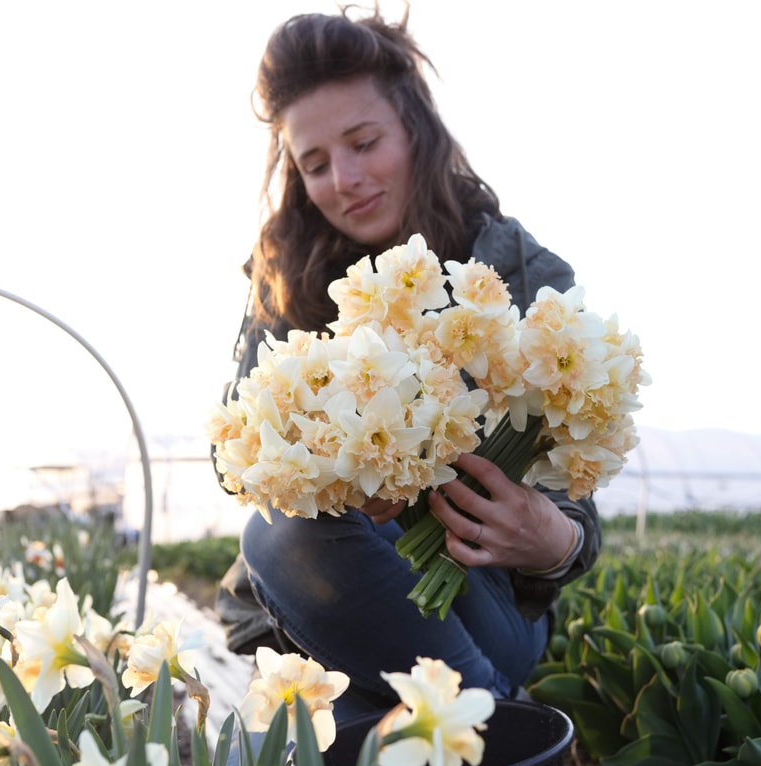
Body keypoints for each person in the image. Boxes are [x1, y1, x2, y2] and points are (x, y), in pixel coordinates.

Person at [215, 6, 601, 721]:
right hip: (320, 595)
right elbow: (234, 452)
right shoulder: (286, 273)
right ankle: (490, 719)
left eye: (364, 143)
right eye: (316, 163)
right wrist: (334, 469)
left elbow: (580, 492)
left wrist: (554, 539)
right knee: (285, 528)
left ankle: (479, 717)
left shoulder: (515, 271)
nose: (345, 179)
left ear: (414, 129)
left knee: (331, 741)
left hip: (476, 603)